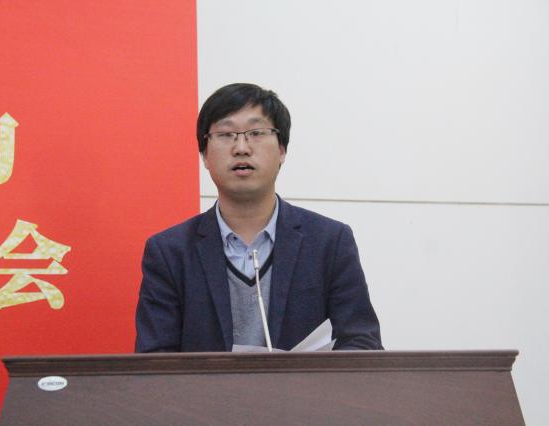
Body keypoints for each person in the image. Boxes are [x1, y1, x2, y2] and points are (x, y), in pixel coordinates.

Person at [135, 83, 382, 352]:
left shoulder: (329, 242)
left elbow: (362, 342)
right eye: (225, 134)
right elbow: (155, 360)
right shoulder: (170, 252)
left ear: (282, 150)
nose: (241, 148)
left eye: (256, 133)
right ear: (205, 155)